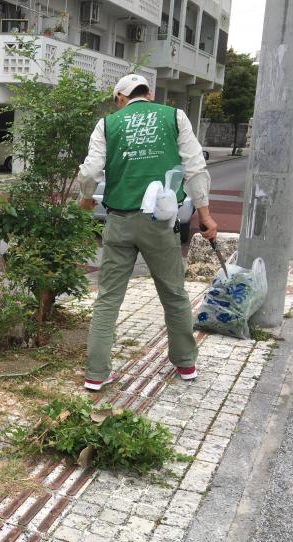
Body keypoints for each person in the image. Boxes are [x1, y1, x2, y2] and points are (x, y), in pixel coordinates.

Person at [78, 73, 218, 391]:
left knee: (108, 299)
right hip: (161, 222)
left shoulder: (108, 124)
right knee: (174, 294)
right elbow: (195, 167)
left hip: (119, 220)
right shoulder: (174, 116)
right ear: (149, 94)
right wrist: (205, 216)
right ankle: (185, 364)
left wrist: (87, 197)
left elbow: (90, 171)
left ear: (119, 98)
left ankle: (96, 374)